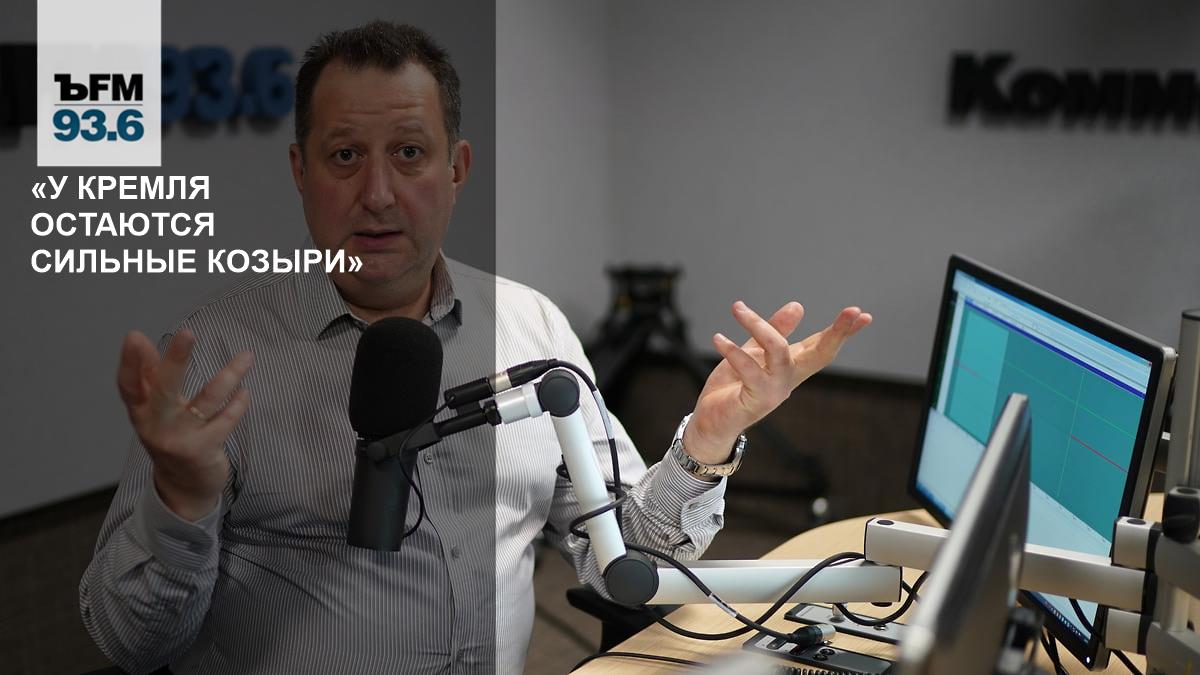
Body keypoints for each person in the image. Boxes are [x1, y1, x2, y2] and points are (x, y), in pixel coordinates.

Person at [80, 21, 872, 674]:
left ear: (457, 168)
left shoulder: (532, 327)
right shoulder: (219, 355)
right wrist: (181, 500)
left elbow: (628, 562)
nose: (378, 194)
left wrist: (706, 441)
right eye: (345, 155)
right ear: (301, 170)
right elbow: (131, 642)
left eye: (409, 153)